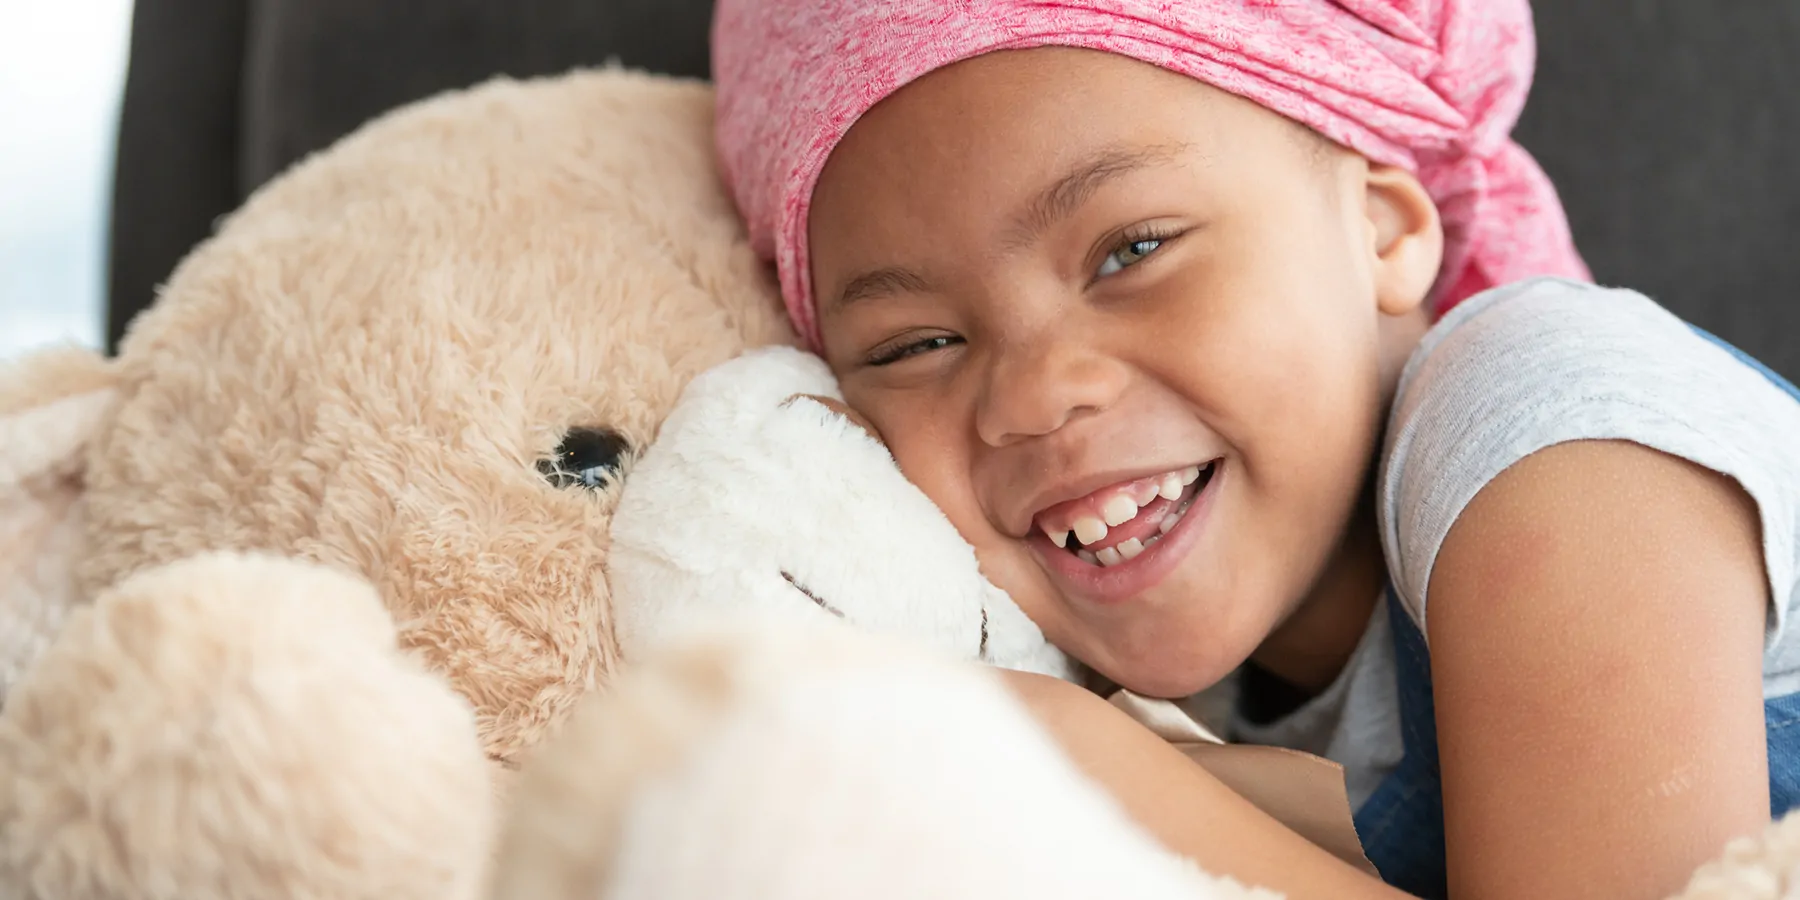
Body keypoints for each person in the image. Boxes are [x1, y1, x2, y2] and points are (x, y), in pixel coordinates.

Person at [711, 3, 1800, 898]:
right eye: (917, 343)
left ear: (1381, 230)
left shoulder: (1550, 431)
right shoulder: (1222, 690)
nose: (1031, 399)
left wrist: (1091, 776)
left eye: (1132, 251)